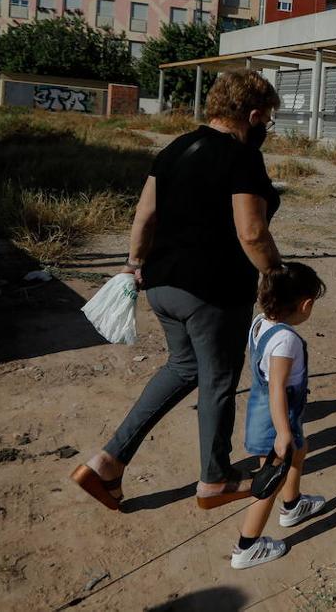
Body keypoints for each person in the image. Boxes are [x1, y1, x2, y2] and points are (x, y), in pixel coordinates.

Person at [71, 69, 284, 511]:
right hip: (213, 289)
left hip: (162, 285)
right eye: (267, 119)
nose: (266, 127)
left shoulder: (174, 149)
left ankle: (108, 461)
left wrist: (134, 264)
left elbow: (144, 216)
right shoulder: (240, 156)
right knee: (218, 381)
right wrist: (276, 274)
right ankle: (214, 480)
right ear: (254, 113)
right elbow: (251, 232)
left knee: (183, 368)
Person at [232, 262, 327, 569]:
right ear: (306, 304)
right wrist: (283, 432)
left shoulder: (261, 322)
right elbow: (277, 388)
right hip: (277, 419)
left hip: (266, 412)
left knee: (300, 451)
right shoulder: (286, 341)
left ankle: (294, 504)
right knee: (268, 482)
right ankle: (246, 547)